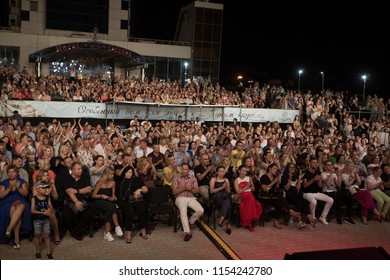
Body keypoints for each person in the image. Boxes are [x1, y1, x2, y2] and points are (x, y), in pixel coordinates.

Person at [260, 163, 302, 229]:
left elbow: (276, 188)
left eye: (276, 169)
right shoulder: (264, 177)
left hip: (274, 195)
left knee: (279, 200)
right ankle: (290, 211)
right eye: (274, 168)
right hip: (265, 196)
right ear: (270, 169)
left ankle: (276, 221)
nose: (276, 170)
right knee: (279, 196)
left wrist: (278, 183)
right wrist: (273, 182)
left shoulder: (275, 177)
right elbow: (264, 189)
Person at [341, 160, 382, 224]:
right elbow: (347, 185)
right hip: (350, 191)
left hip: (356, 189)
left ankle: (364, 217)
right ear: (346, 167)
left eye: (352, 166)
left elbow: (359, 183)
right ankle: (374, 212)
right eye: (350, 166)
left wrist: (356, 175)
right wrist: (354, 177)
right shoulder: (344, 175)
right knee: (367, 194)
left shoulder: (354, 174)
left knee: (366, 199)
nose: (352, 167)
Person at [0, 164, 32, 247]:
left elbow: (25, 194)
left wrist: (19, 188)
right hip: (7, 202)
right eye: (9, 172)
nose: (11, 174)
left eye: (13, 172)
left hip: (20, 200)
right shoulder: (4, 182)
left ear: (17, 173)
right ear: (7, 173)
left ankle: (9, 228)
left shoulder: (21, 181)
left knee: (22, 206)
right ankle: (16, 239)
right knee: (15, 213)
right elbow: (1, 196)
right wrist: (8, 190)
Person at [172, 163, 204, 241]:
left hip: (191, 197)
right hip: (180, 197)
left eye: (185, 169)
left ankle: (190, 221)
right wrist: (184, 188)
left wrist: (190, 189)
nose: (183, 171)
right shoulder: (176, 178)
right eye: (182, 169)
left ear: (189, 170)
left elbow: (197, 190)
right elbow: (174, 192)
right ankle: (187, 233)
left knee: (200, 210)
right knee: (183, 211)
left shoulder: (193, 178)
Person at [117, 166, 148, 243]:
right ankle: (128, 232)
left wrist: (140, 189)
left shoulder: (136, 179)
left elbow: (146, 189)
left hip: (136, 199)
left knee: (141, 209)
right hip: (125, 201)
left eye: (130, 172)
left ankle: (143, 229)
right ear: (124, 173)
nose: (128, 174)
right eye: (127, 172)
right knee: (129, 211)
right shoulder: (121, 181)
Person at [63, 161, 94, 241]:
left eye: (81, 169)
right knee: (67, 215)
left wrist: (77, 191)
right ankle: (73, 230)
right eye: (78, 169)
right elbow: (69, 192)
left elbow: (88, 189)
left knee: (89, 212)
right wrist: (76, 201)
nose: (81, 170)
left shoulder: (85, 177)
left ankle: (77, 231)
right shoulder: (67, 178)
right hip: (70, 201)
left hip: (84, 200)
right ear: (73, 170)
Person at [91, 167, 123, 242]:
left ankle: (107, 233)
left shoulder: (113, 183)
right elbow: (93, 195)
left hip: (108, 203)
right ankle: (117, 227)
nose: (112, 176)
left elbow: (113, 195)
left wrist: (113, 198)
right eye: (111, 174)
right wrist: (102, 195)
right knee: (112, 206)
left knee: (110, 209)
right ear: (106, 174)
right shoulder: (100, 182)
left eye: (113, 174)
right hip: (98, 201)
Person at [301, 157, 334, 226]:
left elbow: (320, 186)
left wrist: (319, 181)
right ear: (309, 163)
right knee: (314, 201)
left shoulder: (318, 172)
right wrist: (314, 179)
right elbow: (305, 186)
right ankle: (313, 218)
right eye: (313, 162)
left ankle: (323, 217)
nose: (315, 164)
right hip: (307, 193)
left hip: (316, 193)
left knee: (330, 200)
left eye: (316, 163)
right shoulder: (305, 172)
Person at [321, 160, 355, 225]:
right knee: (337, 200)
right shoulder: (323, 174)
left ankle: (348, 217)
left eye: (331, 165)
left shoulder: (334, 174)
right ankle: (338, 217)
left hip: (335, 191)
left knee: (350, 199)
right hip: (327, 192)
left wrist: (339, 175)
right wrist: (331, 174)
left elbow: (338, 185)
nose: (330, 166)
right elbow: (327, 184)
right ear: (325, 167)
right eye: (328, 165)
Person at [234, 165, 262, 232]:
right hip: (242, 196)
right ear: (239, 171)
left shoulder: (249, 178)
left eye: (245, 171)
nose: (244, 172)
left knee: (252, 199)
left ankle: (249, 222)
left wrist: (251, 185)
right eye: (243, 171)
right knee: (250, 200)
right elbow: (238, 192)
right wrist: (247, 186)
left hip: (250, 194)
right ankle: (250, 222)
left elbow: (253, 189)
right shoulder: (236, 180)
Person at [31, 180, 53, 259]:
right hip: (37, 220)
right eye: (43, 188)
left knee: (47, 236)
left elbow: (51, 207)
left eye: (46, 188)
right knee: (37, 236)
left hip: (46, 220)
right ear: (37, 189)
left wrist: (49, 211)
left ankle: (48, 252)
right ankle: (37, 251)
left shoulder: (47, 197)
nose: (45, 190)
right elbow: (32, 210)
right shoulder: (34, 198)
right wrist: (42, 213)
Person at [209, 166, 232, 234]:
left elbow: (229, 192)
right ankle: (227, 225)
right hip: (217, 197)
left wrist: (227, 187)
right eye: (220, 171)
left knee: (228, 202)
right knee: (228, 205)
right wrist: (222, 187)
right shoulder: (213, 179)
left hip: (225, 196)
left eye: (223, 171)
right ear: (217, 172)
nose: (222, 173)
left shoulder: (226, 180)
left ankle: (222, 221)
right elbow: (211, 191)